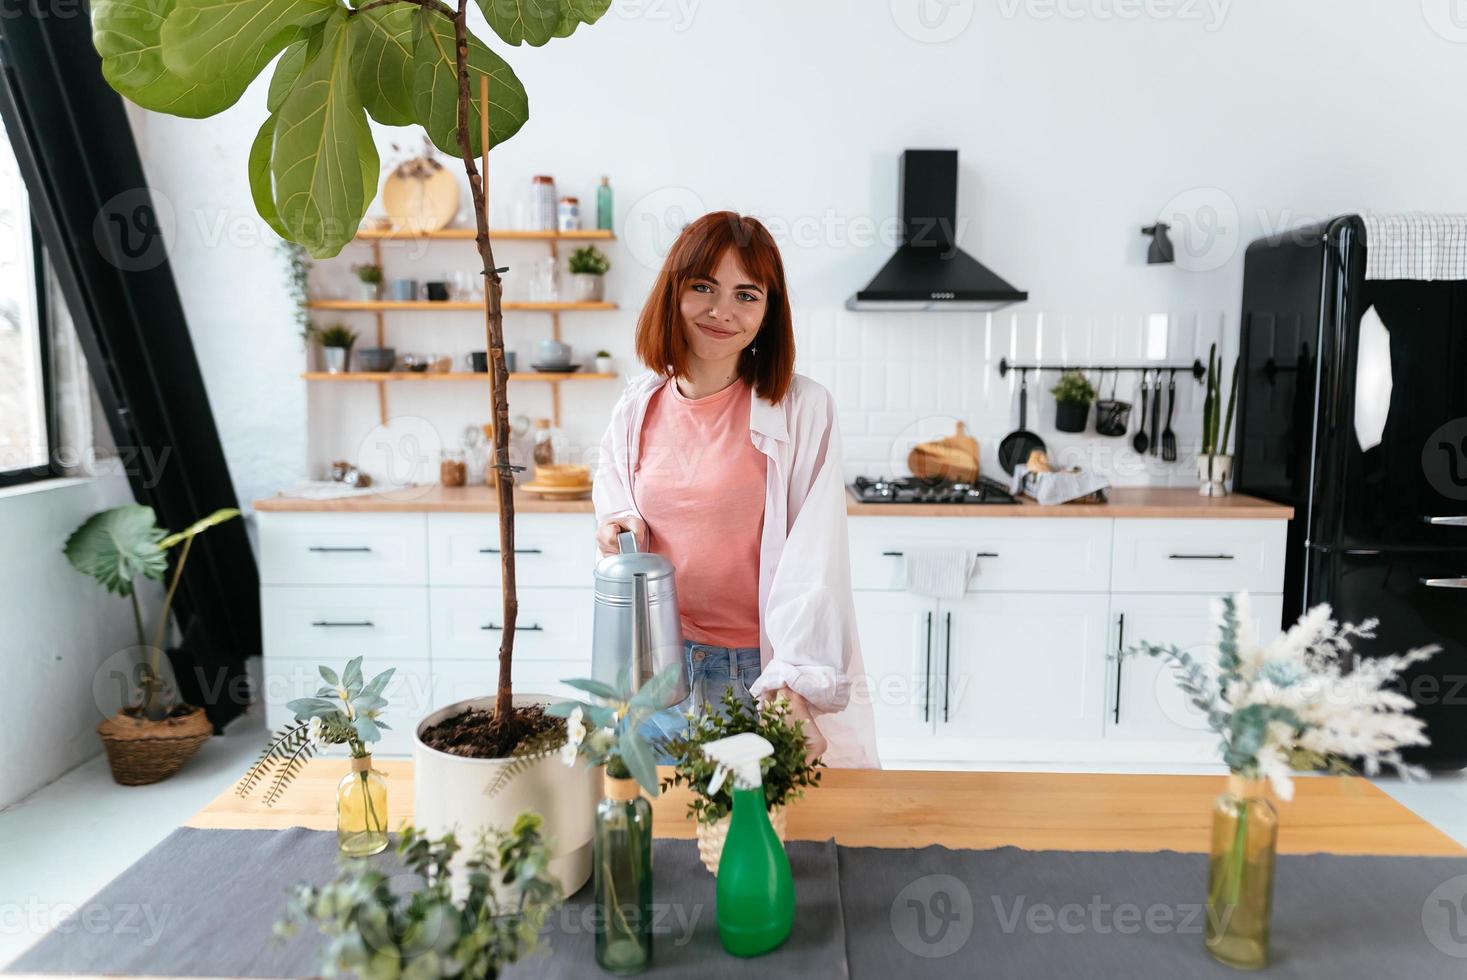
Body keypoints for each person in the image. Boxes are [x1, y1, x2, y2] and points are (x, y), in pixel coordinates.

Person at [593, 210, 878, 768]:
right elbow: (614, 492)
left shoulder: (802, 410)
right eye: (704, 287)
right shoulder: (636, 406)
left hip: (756, 678)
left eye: (747, 295)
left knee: (757, 841)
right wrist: (616, 525)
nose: (723, 311)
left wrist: (792, 679)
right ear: (673, 293)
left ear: (769, 313)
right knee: (665, 840)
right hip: (657, 671)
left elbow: (813, 561)